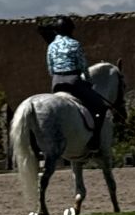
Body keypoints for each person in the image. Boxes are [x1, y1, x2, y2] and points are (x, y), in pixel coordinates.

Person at [46, 15, 109, 145]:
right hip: (73, 80)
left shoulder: (51, 46)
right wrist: (89, 81)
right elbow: (83, 66)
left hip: (56, 82)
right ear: (70, 30)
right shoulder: (75, 44)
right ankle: (95, 140)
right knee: (100, 107)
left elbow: (50, 68)